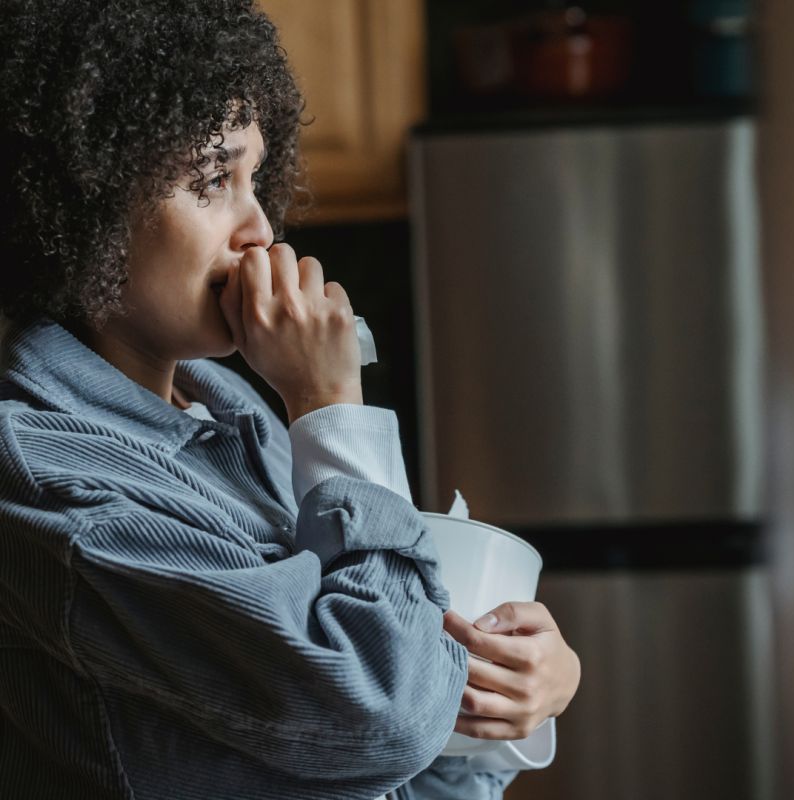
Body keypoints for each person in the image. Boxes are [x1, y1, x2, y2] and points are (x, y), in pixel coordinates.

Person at [0, 1, 581, 798]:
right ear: (78, 202)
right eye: (211, 181)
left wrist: (501, 708)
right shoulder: (54, 484)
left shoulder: (236, 419)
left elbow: (392, 766)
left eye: (254, 178)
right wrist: (328, 401)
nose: (262, 228)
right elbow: (385, 715)